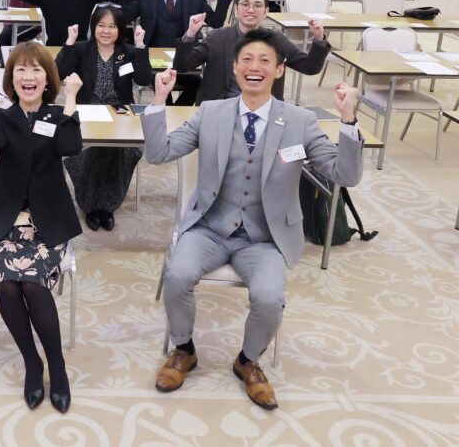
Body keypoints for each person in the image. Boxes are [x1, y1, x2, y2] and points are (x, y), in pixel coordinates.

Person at [143, 30, 364, 410]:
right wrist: (159, 100)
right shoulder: (211, 112)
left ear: (279, 70)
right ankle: (184, 349)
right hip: (210, 228)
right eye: (246, 59)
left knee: (269, 298)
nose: (254, 67)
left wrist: (348, 119)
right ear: (234, 68)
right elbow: (159, 153)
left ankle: (248, 360)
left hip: (264, 237)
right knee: (177, 275)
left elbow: (344, 175)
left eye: (264, 60)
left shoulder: (300, 121)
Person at [0, 42, 84, 414]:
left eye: (36, 69)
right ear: (12, 78)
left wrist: (71, 98)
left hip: (47, 221)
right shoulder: (2, 115)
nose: (28, 76)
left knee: (33, 286)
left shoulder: (57, 115)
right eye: (20, 69)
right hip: (3, 219)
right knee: (7, 284)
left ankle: (57, 366)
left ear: (47, 79)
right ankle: (32, 362)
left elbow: (70, 146)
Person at [55, 9, 152, 231]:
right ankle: (91, 206)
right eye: (101, 25)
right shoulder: (81, 49)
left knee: (118, 150)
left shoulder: (128, 51)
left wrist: (140, 46)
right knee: (92, 150)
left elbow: (144, 79)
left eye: (112, 26)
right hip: (87, 112)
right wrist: (69, 42)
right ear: (93, 27)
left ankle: (107, 207)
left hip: (119, 114)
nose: (106, 31)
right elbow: (59, 72)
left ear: (120, 29)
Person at [175, 0, 331, 104]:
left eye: (257, 5)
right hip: (220, 108)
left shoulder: (276, 40)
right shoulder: (217, 36)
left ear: (266, 12)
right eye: (245, 4)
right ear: (236, 9)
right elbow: (182, 66)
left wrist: (318, 38)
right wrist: (190, 34)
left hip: (265, 111)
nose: (251, 10)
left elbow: (310, 67)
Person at [120, 0, 230, 105]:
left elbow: (216, 22)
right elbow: (124, 18)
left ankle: (174, 112)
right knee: (161, 85)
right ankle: (169, 111)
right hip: (154, 59)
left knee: (196, 83)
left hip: (183, 57)